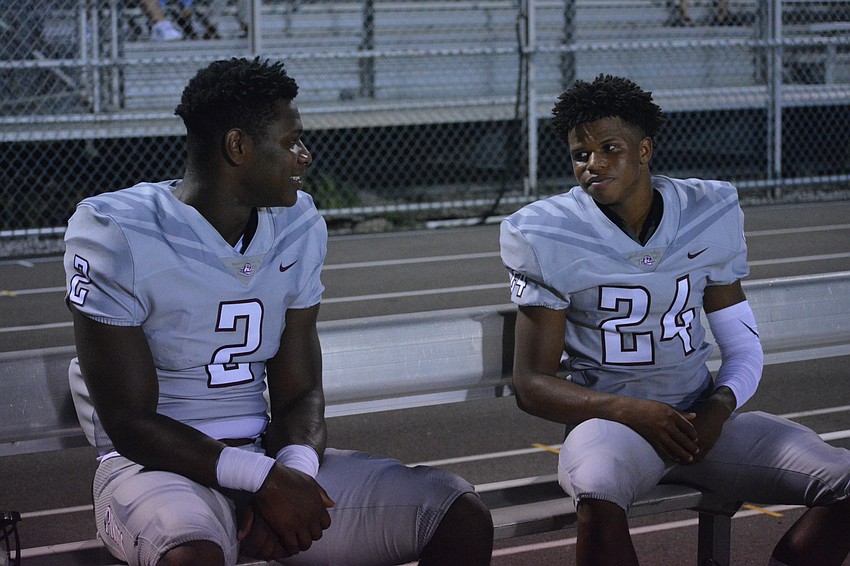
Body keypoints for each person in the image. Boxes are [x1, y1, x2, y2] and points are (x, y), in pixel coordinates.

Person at [64, 57, 493, 566]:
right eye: (291, 141)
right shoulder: (116, 230)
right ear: (238, 147)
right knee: (190, 554)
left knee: (456, 513)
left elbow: (302, 391)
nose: (304, 155)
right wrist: (262, 482)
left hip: (264, 456)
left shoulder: (298, 224)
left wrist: (293, 476)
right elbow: (129, 421)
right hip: (151, 470)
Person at [499, 74, 850, 565]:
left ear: (645, 150)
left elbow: (744, 348)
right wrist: (632, 411)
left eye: (610, 149)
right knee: (598, 493)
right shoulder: (544, 231)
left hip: (698, 421)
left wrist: (718, 408)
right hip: (611, 427)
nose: (593, 165)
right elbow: (531, 385)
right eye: (581, 154)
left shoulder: (708, 209)